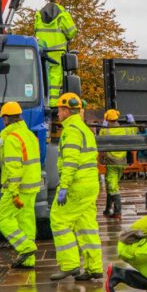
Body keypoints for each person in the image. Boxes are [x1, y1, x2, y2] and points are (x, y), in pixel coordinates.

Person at [49, 92, 103, 281]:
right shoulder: (85, 129)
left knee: (58, 219)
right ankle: (94, 267)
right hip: (90, 184)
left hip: (76, 186)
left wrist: (64, 186)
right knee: (86, 225)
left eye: (59, 110)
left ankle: (70, 264)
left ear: (66, 110)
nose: (57, 114)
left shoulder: (71, 130)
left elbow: (70, 161)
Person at [0, 101, 42, 268]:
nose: (3, 121)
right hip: (32, 186)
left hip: (18, 189)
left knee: (2, 219)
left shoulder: (11, 138)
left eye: (3, 118)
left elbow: (14, 167)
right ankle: (29, 260)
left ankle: (25, 247)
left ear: (7, 119)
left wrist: (14, 193)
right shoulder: (29, 135)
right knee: (26, 221)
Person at [34, 0, 77, 107]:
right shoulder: (63, 14)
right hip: (57, 53)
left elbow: (35, 31)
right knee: (55, 77)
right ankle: (52, 104)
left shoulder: (38, 14)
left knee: (42, 76)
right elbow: (72, 31)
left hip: (42, 52)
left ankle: (42, 102)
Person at [98, 109, 138, 219]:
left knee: (112, 187)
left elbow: (100, 135)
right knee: (111, 185)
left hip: (111, 163)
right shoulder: (124, 130)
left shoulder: (105, 131)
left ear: (107, 119)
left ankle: (118, 212)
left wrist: (103, 126)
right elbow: (135, 129)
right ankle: (107, 209)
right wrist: (132, 121)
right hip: (121, 163)